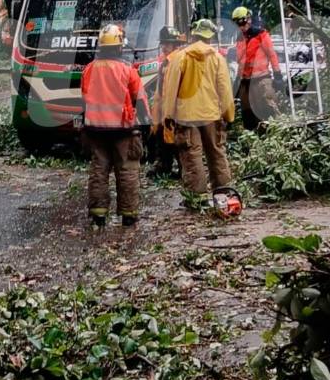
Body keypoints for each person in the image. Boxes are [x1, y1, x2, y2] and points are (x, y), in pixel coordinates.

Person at [81, 24, 150, 228]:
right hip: (123, 130)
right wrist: (146, 122)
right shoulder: (127, 70)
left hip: (95, 129)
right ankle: (128, 214)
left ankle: (98, 214)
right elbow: (140, 99)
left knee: (99, 171)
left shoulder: (89, 69)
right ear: (120, 46)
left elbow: (84, 98)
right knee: (127, 170)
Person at [162, 18, 235, 201]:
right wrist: (229, 115)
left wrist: (168, 115)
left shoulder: (180, 57)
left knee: (192, 155)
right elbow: (225, 90)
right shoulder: (217, 58)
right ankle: (224, 194)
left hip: (186, 117)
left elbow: (171, 89)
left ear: (193, 35)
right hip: (211, 115)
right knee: (216, 153)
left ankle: (198, 198)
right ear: (210, 37)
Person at [231, 6, 284, 131]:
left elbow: (272, 54)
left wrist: (278, 75)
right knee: (248, 114)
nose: (241, 26)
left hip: (262, 79)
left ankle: (274, 134)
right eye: (238, 23)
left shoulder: (261, 34)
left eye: (242, 22)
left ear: (248, 19)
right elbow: (241, 61)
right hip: (246, 82)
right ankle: (253, 138)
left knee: (268, 109)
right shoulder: (240, 38)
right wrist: (238, 81)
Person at [146, 26, 185, 181]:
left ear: (174, 45)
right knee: (162, 138)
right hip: (164, 108)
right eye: (162, 44)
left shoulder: (178, 61)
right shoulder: (166, 62)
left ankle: (183, 170)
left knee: (177, 142)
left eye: (167, 44)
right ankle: (164, 165)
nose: (164, 47)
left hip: (175, 110)